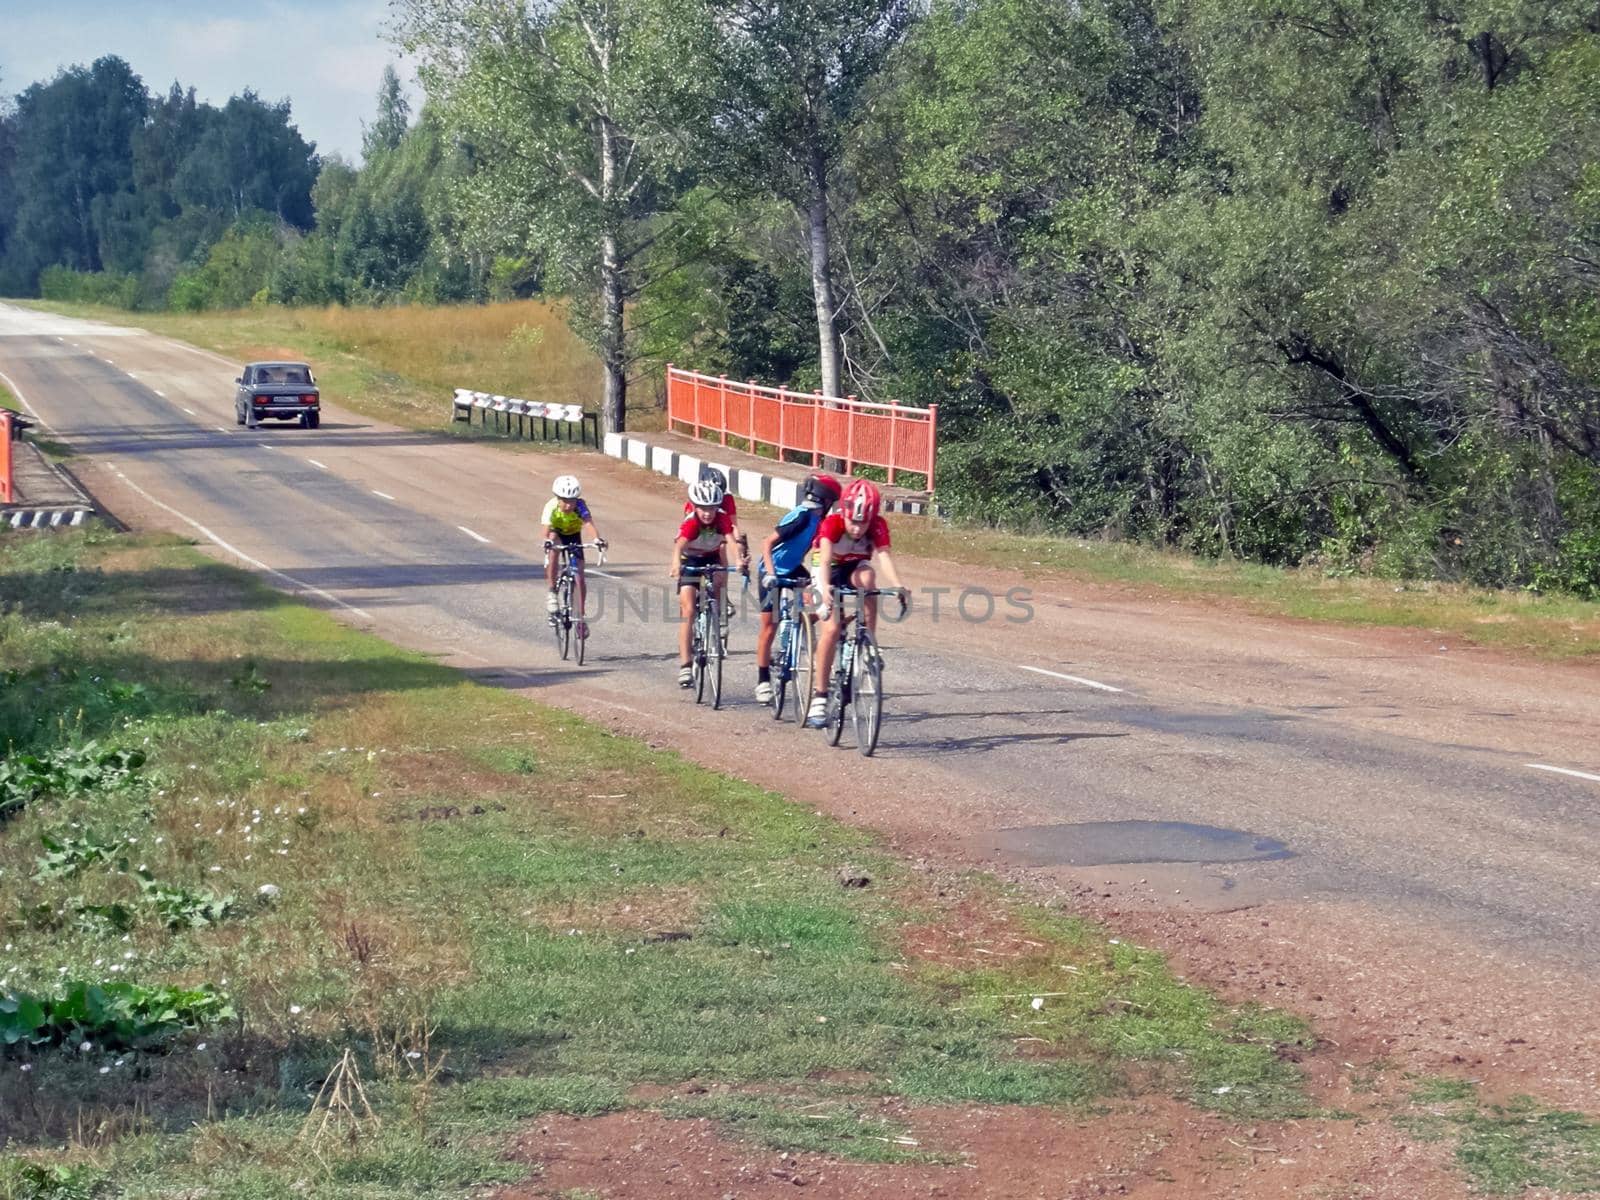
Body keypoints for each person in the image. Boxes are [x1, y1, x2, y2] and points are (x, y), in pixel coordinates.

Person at [805, 479, 908, 728]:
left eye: (863, 523)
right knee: (830, 628)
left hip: (854, 567)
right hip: (826, 568)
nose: (858, 529)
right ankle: (820, 696)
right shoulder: (832, 523)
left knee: (869, 581)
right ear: (844, 513)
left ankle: (868, 642)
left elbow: (884, 556)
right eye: (853, 521)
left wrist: (897, 585)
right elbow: (826, 557)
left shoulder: (878, 525)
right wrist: (825, 588)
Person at [753, 473, 841, 704]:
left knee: (815, 604)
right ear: (826, 501)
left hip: (794, 570)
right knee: (768, 626)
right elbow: (767, 543)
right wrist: (771, 574)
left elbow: (819, 555)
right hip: (770, 571)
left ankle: (797, 625)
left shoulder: (820, 523)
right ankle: (763, 680)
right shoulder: (800, 517)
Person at [670, 476, 737, 687]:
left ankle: (715, 618)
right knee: (688, 610)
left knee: (718, 581)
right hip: (689, 559)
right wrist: (675, 565)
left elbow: (732, 541)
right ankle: (685, 665)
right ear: (695, 506)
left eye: (712, 508)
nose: (707, 513)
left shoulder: (722, 519)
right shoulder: (692, 522)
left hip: (711, 557)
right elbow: (679, 546)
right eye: (703, 508)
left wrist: (741, 561)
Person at [541, 475, 606, 633]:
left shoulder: (580, 506)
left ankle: (581, 618)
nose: (569, 505)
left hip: (574, 535)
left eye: (572, 500)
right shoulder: (551, 507)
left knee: (580, 577)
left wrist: (597, 539)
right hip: (556, 533)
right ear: (558, 498)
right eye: (565, 500)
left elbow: (588, 524)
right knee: (553, 545)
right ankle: (551, 592)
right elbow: (546, 530)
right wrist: (546, 541)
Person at [683, 464, 749, 617]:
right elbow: (691, 530)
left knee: (722, 548)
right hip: (700, 534)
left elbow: (733, 527)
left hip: (721, 529)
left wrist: (740, 550)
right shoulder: (694, 502)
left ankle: (722, 595)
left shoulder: (727, 499)